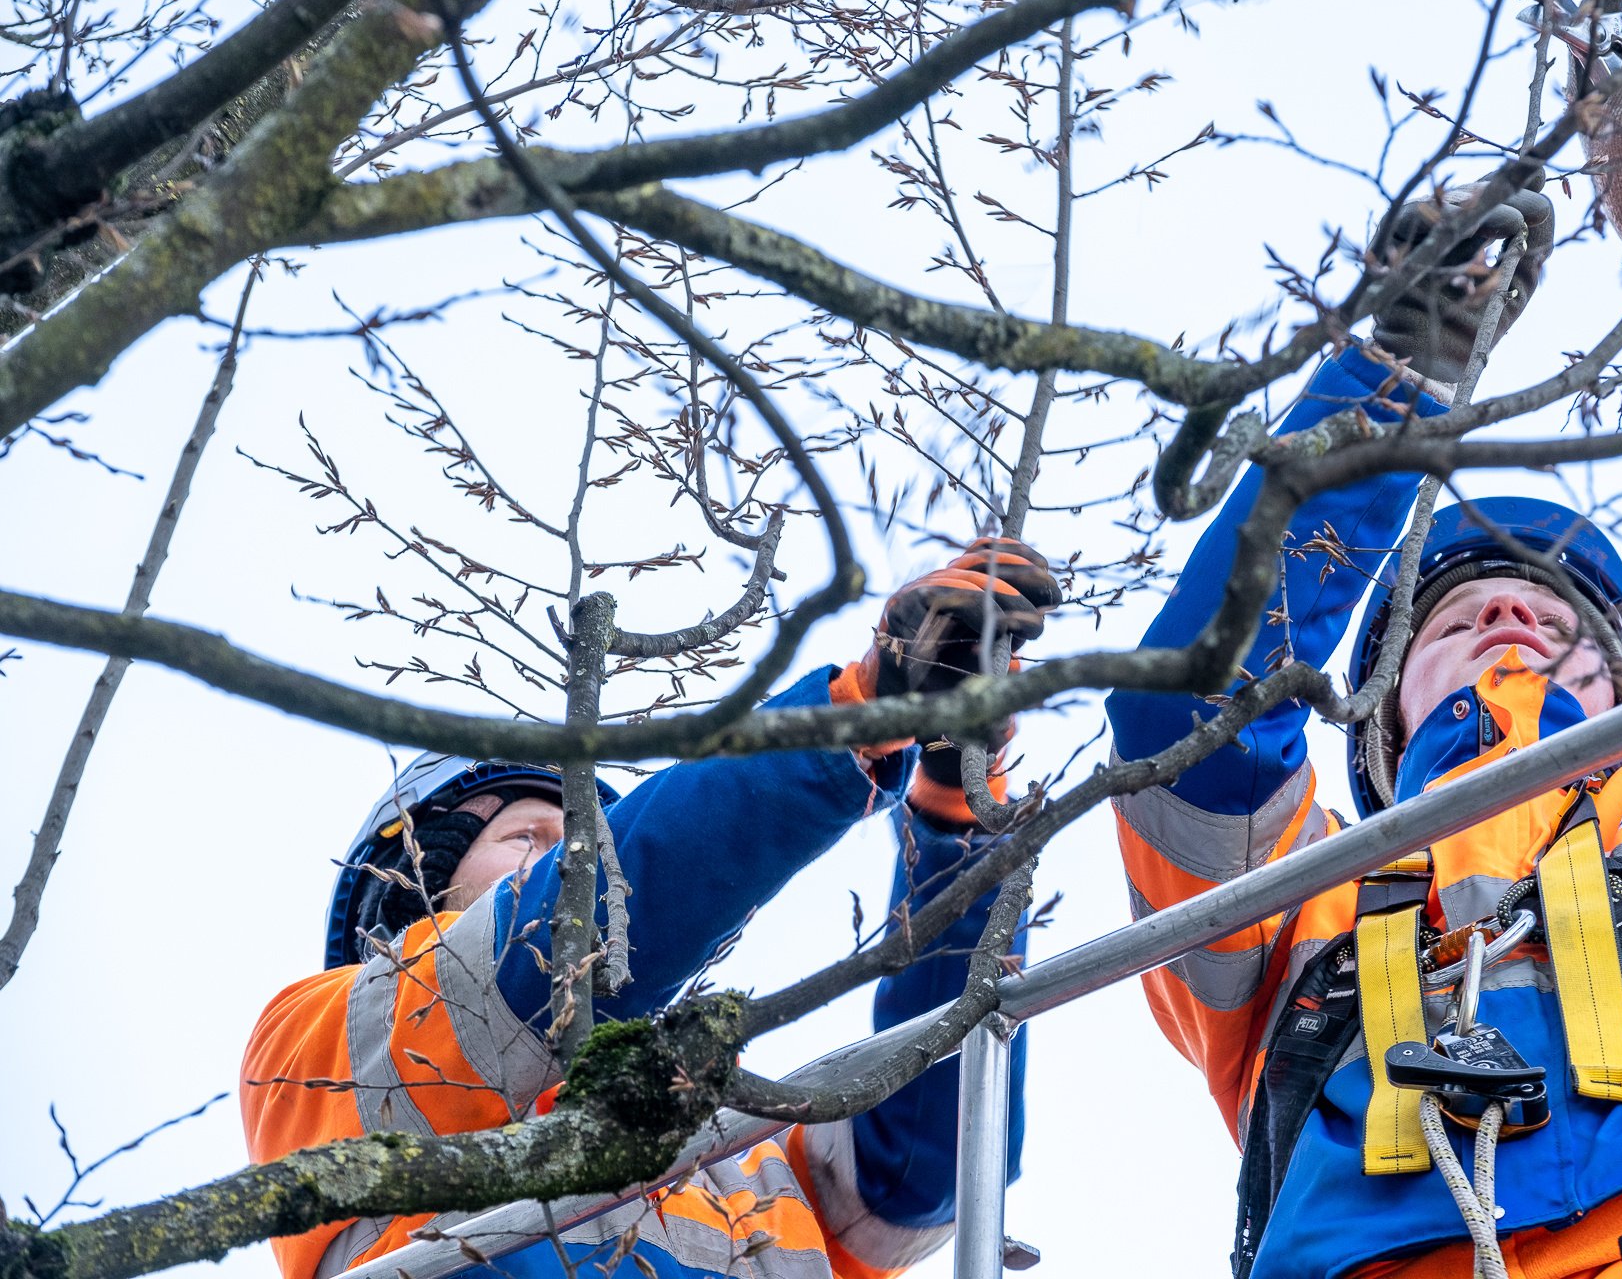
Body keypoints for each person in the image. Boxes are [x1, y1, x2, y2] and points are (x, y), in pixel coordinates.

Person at [1107, 10, 1622, 1279]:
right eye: (1460, 608)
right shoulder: (1288, 896)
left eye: (1564, 618)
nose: (1513, 620)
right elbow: (1185, 722)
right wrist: (1390, 386)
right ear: (1373, 707)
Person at [240, 538, 1060, 1279]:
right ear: (414, 873)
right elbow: (575, 936)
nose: (571, 858)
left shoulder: (730, 1155)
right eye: (534, 839)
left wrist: (956, 811)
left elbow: (921, 1168)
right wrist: (860, 707)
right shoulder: (324, 1048)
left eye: (584, 836)